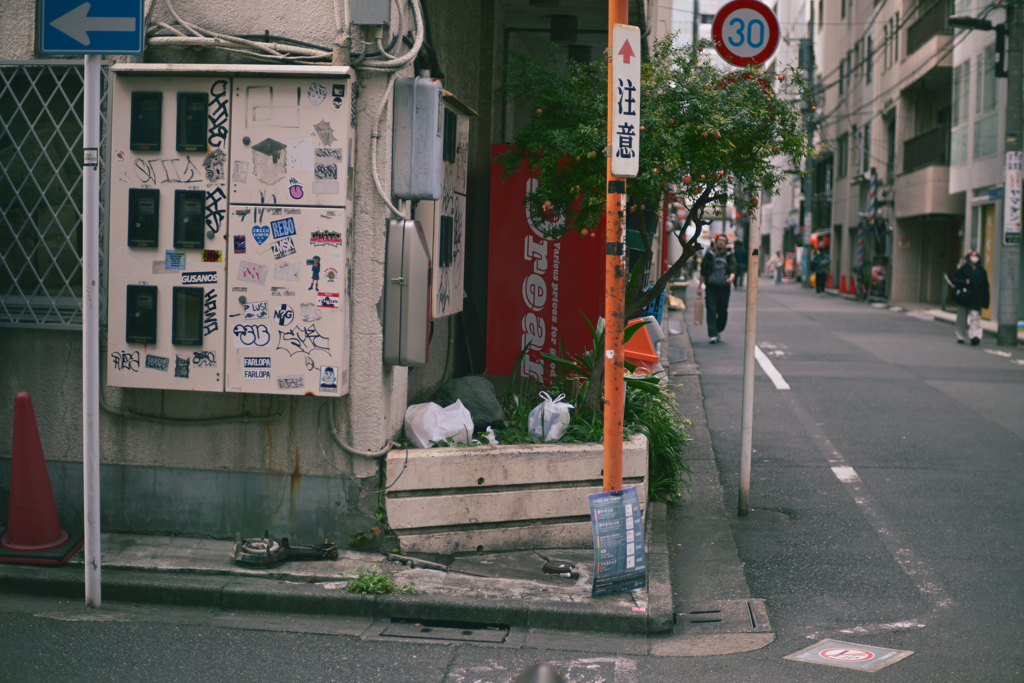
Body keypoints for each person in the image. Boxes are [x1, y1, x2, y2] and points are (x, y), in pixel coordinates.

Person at [699, 234, 736, 343]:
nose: (721, 242)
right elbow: (703, 271)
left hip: (724, 288)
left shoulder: (729, 255)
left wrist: (731, 277)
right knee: (711, 310)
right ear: (716, 242)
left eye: (723, 241)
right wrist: (699, 287)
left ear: (725, 244)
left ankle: (718, 329)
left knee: (722, 311)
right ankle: (713, 334)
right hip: (711, 287)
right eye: (719, 240)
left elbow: (733, 269)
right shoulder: (709, 255)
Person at [951, 250, 990, 345]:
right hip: (964, 296)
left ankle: (975, 336)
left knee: (975, 317)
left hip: (976, 298)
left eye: (976, 256)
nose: (974, 257)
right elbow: (954, 279)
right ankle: (961, 336)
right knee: (961, 318)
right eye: (972, 255)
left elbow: (985, 287)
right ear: (968, 257)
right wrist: (964, 281)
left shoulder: (982, 271)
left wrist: (985, 300)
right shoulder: (964, 269)